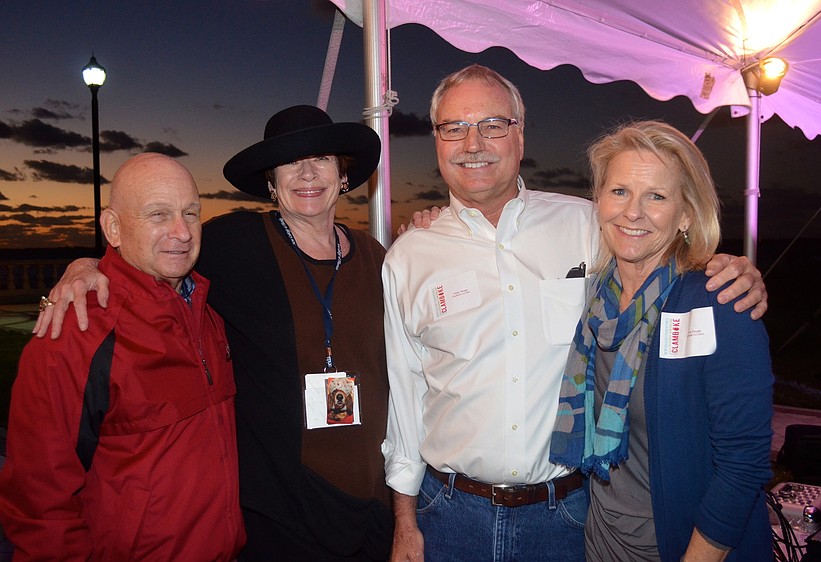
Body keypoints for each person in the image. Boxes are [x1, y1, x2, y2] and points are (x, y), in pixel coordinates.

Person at [381, 64, 768, 561]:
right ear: (436, 140)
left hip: (566, 516)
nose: (472, 143)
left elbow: (662, 254)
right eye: (454, 127)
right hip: (449, 513)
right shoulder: (411, 256)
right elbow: (405, 398)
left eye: (492, 125)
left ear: (520, 135)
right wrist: (404, 522)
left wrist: (732, 269)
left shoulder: (588, 224)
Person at [33, 106, 394, 560]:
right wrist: (83, 266)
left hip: (372, 505)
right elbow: (150, 252)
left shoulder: (375, 256)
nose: (307, 172)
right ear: (270, 181)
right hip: (280, 515)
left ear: (343, 174)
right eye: (290, 161)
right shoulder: (233, 243)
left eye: (321, 158)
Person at [0, 153, 246, 560]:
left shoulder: (210, 311)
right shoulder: (74, 333)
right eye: (157, 214)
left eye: (191, 213)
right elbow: (38, 503)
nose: (182, 232)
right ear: (113, 227)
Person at [550, 120, 774, 561]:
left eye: (656, 196)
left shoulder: (720, 303)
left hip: (682, 547)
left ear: (686, 214)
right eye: (619, 192)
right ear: (598, 202)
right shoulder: (594, 297)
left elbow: (743, 464)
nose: (633, 212)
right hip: (600, 541)